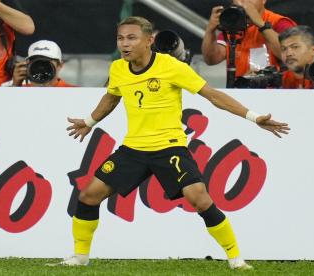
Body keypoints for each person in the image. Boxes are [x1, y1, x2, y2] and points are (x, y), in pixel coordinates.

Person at [59, 16, 290, 270]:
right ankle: (80, 257)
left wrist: (254, 117)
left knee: (199, 198)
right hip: (133, 149)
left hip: (169, 148)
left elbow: (212, 95)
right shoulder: (118, 69)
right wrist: (89, 122)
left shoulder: (171, 66)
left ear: (149, 41)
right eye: (120, 38)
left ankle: (236, 259)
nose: (125, 44)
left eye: (131, 38)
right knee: (89, 195)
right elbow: (111, 97)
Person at [202, 0, 296, 78]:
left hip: (275, 93)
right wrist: (210, 30)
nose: (244, 3)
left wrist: (260, 24)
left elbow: (291, 55)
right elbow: (211, 59)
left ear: (263, 1)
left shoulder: (280, 22)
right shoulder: (232, 23)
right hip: (240, 92)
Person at [11, 40, 75, 87]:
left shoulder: (77, 93)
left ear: (59, 65)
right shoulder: (20, 90)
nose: (40, 67)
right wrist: (15, 86)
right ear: (27, 65)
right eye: (35, 61)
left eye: (45, 62)